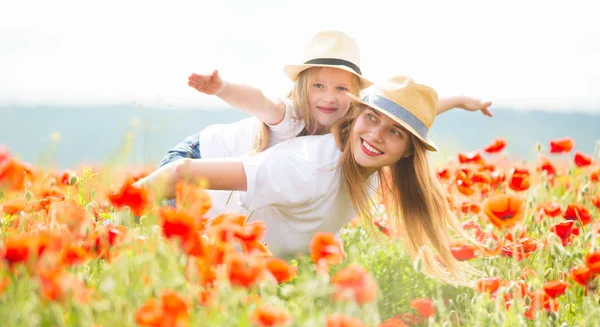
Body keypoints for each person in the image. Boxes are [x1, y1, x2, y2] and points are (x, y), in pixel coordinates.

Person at [135, 75, 479, 284]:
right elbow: (180, 175)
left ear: (407, 150)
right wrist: (109, 211)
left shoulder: (367, 160)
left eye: (395, 132)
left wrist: (459, 101)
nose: (376, 136)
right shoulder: (310, 169)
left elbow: (410, 114)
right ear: (357, 114)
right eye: (371, 118)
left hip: (234, 220)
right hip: (192, 177)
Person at [159, 30, 492, 170]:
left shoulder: (354, 124)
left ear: (357, 96)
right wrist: (222, 88)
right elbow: (258, 100)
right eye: (319, 86)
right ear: (304, 87)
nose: (329, 98)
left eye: (341, 89)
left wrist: (462, 100)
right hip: (193, 156)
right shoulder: (290, 114)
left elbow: (407, 113)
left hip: (221, 176)